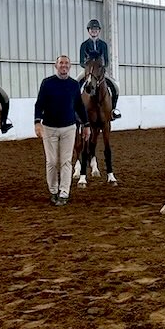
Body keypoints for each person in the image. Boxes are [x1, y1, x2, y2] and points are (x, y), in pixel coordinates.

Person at [34, 55, 90, 206]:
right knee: (51, 162)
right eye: (61, 63)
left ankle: (64, 192)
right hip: (49, 128)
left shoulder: (74, 85)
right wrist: (37, 122)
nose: (64, 66)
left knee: (66, 162)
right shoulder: (47, 83)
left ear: (70, 66)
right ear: (56, 65)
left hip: (69, 128)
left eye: (66, 63)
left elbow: (79, 105)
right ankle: (53, 191)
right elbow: (39, 104)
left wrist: (86, 125)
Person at [78, 19, 121, 120]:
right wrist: (89, 70)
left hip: (100, 72)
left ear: (99, 31)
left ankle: (113, 110)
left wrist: (101, 68)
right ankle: (76, 111)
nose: (94, 31)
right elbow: (81, 61)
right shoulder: (84, 45)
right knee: (75, 85)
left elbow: (106, 61)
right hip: (87, 72)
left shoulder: (103, 45)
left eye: (96, 29)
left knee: (115, 87)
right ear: (88, 31)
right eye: (92, 29)